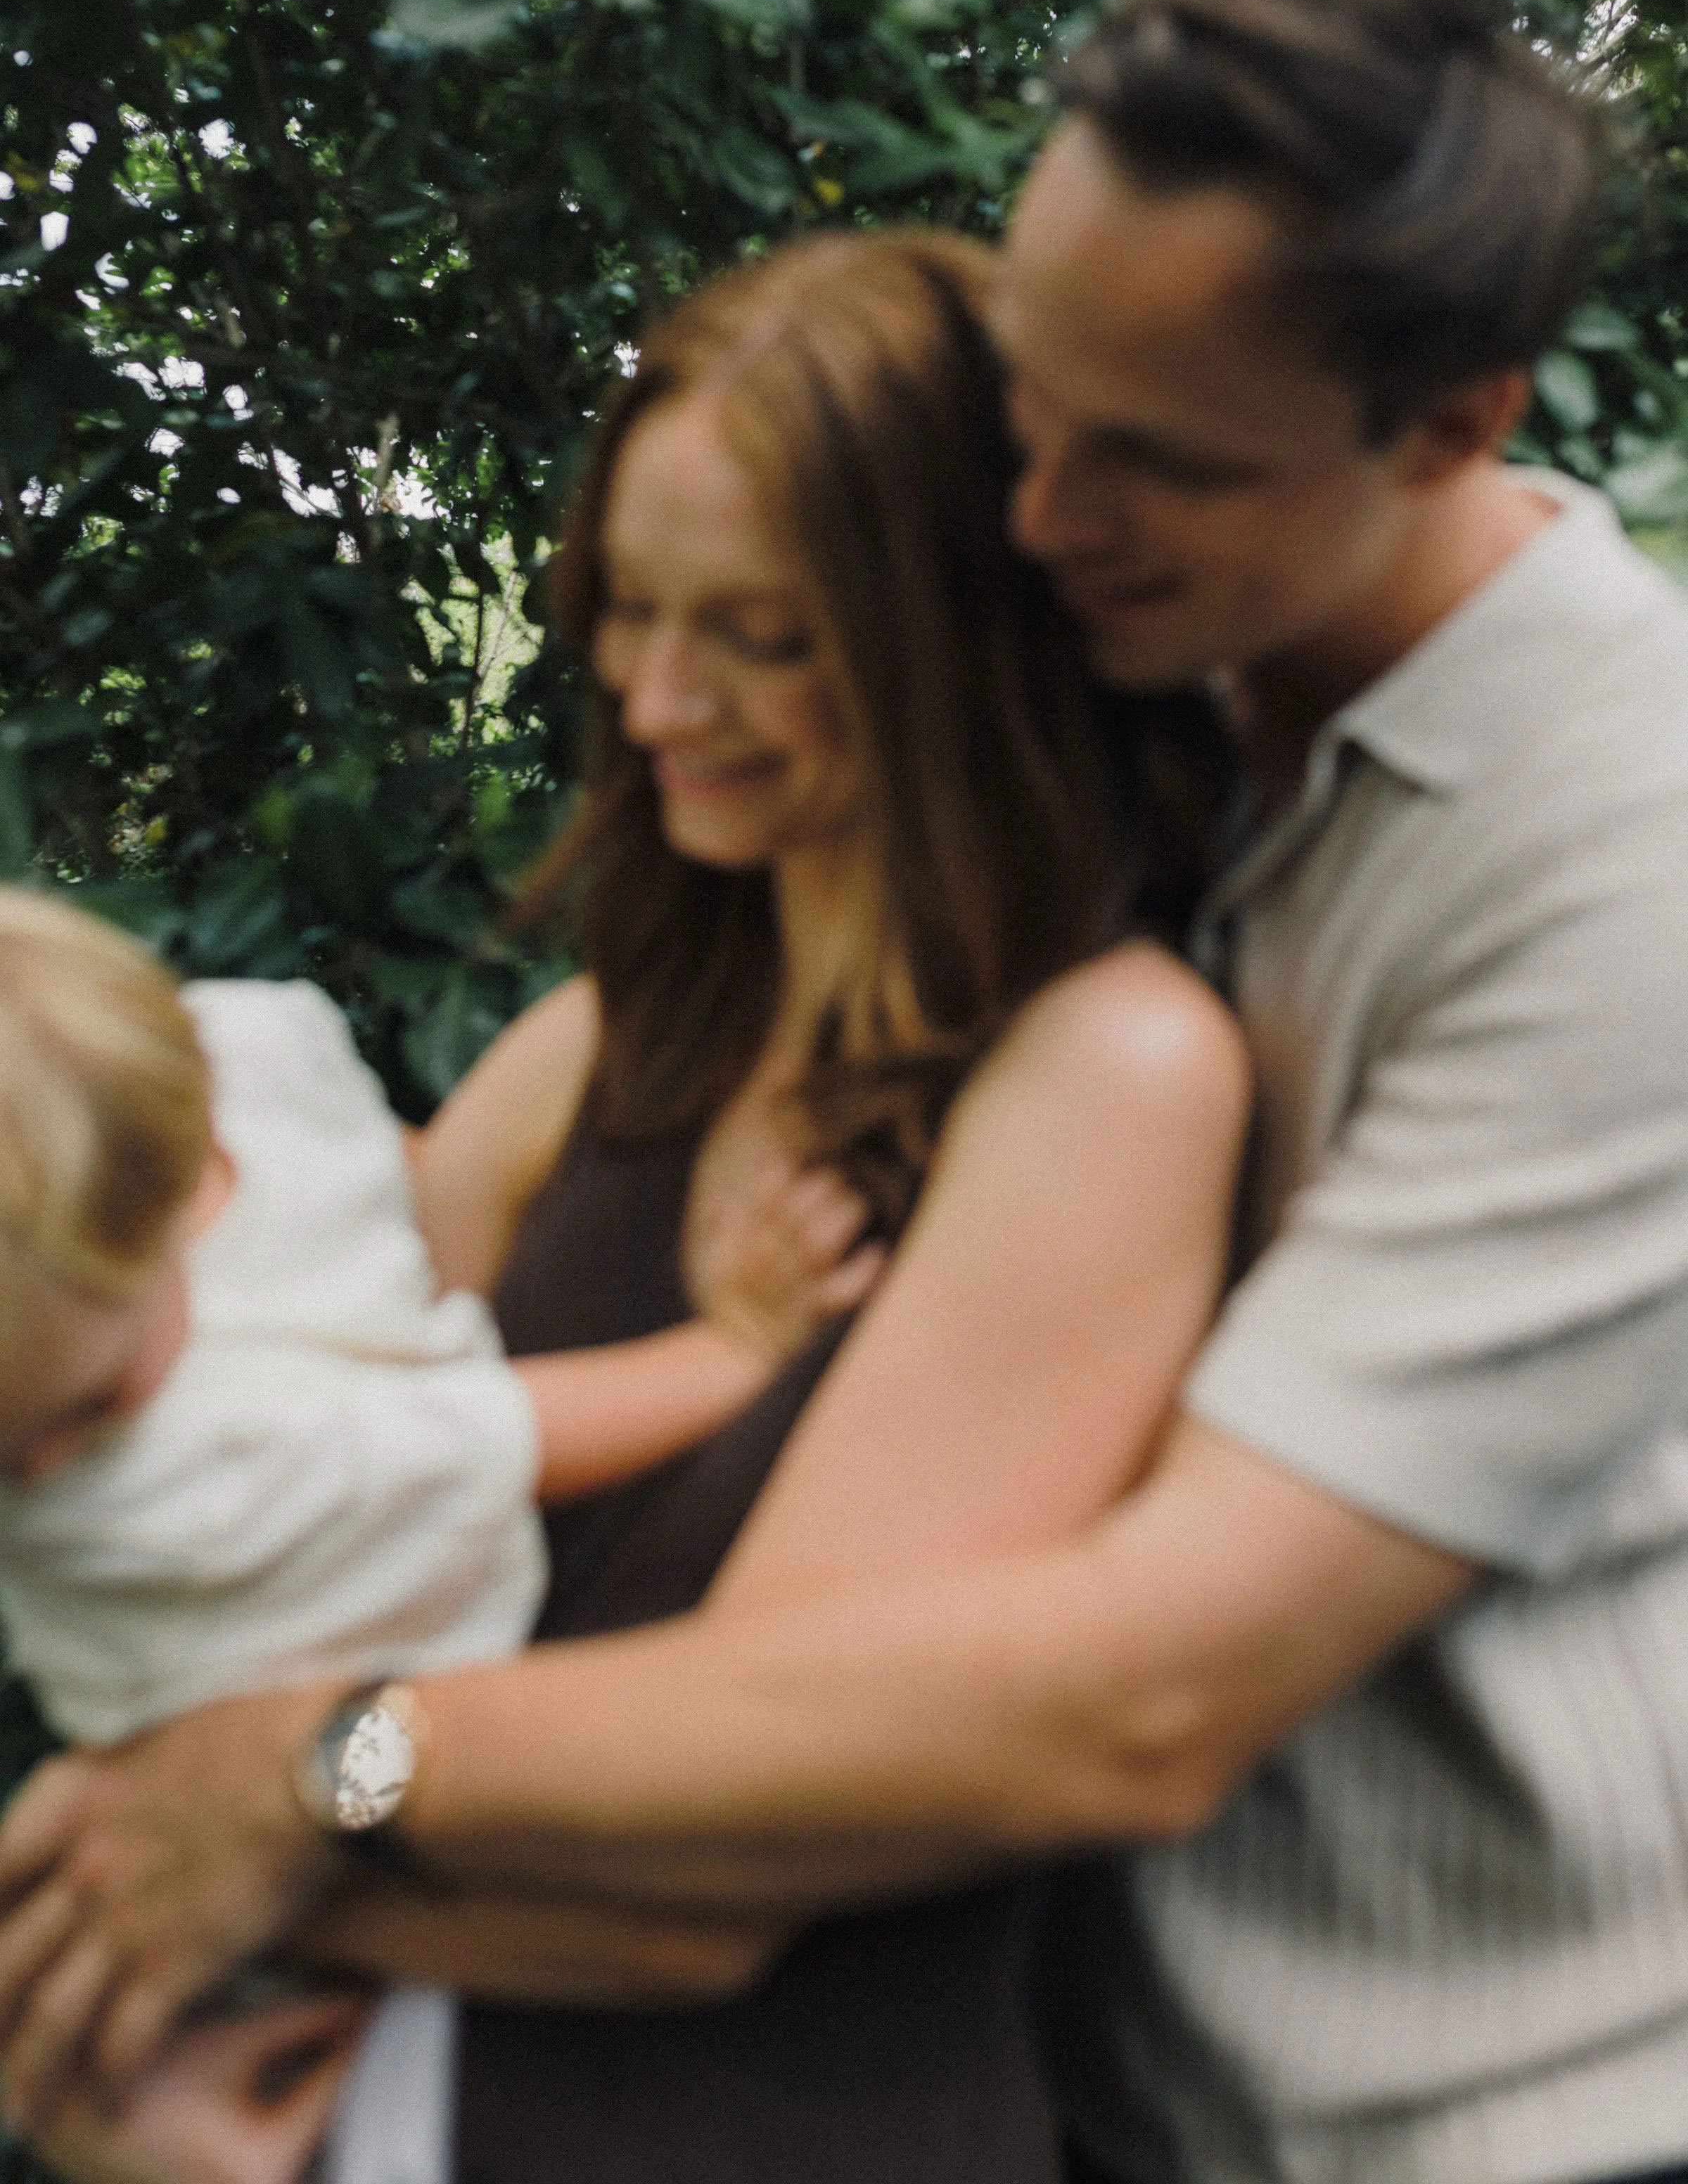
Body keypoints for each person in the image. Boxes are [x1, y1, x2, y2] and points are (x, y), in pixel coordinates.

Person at [3, 0, 1675, 2184]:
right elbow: (275, 1464)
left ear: (1453, 424)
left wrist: (307, 1782)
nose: (1043, 521)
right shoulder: (1099, 721)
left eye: (1145, 458)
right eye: (1027, 423)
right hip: (1072, 2090)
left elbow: (1121, 1698)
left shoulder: (1602, 867)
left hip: (1460, 2115)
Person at [0, 229, 1248, 2183]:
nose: (660, 698)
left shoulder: (1101, 1082)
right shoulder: (595, 1053)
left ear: (952, 637)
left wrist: (193, 1841)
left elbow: (703, 1882)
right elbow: (255, 1489)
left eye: (759, 632)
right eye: (628, 612)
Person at [0, 892, 879, 2176]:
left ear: (176, 1169)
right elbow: (509, 1433)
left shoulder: (253, 1063)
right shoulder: (188, 1469)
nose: (41, 1478)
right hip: (255, 1877)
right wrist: (733, 1348)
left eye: (77, 1409)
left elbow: (377, 1205)